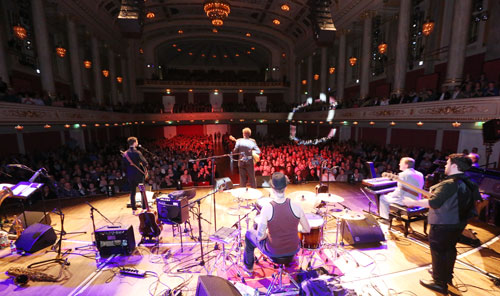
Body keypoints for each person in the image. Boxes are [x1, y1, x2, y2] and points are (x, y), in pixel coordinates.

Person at [403, 154, 481, 294]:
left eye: (447, 163)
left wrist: (412, 202)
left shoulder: (449, 183)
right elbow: (474, 202)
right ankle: (446, 276)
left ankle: (439, 283)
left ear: (454, 166)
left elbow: (434, 203)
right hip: (458, 223)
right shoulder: (470, 182)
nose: (445, 166)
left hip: (443, 223)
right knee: (449, 249)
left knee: (438, 251)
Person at [243, 172, 311, 275]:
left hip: (274, 251)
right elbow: (307, 229)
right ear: (286, 187)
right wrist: (294, 230)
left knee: (249, 234)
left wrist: (266, 234)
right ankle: (292, 263)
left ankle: (249, 268)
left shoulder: (267, 208)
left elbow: (261, 236)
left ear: (272, 189)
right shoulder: (297, 207)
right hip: (293, 249)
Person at [121, 137, 148, 214]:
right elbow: (145, 163)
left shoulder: (125, 154)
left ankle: (134, 208)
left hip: (130, 174)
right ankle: (144, 208)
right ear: (134, 143)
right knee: (142, 191)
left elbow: (123, 166)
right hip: (138, 175)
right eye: (136, 142)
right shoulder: (137, 152)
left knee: (132, 192)